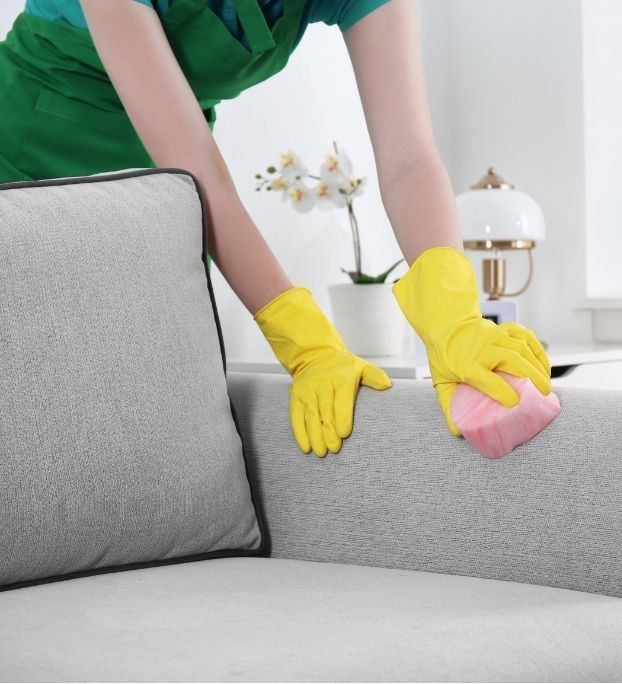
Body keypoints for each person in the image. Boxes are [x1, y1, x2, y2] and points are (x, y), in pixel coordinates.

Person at [0, 0, 552, 457]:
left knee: (138, 401)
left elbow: (408, 159)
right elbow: (200, 176)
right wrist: (305, 341)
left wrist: (455, 317)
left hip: (163, 193)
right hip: (26, 157)